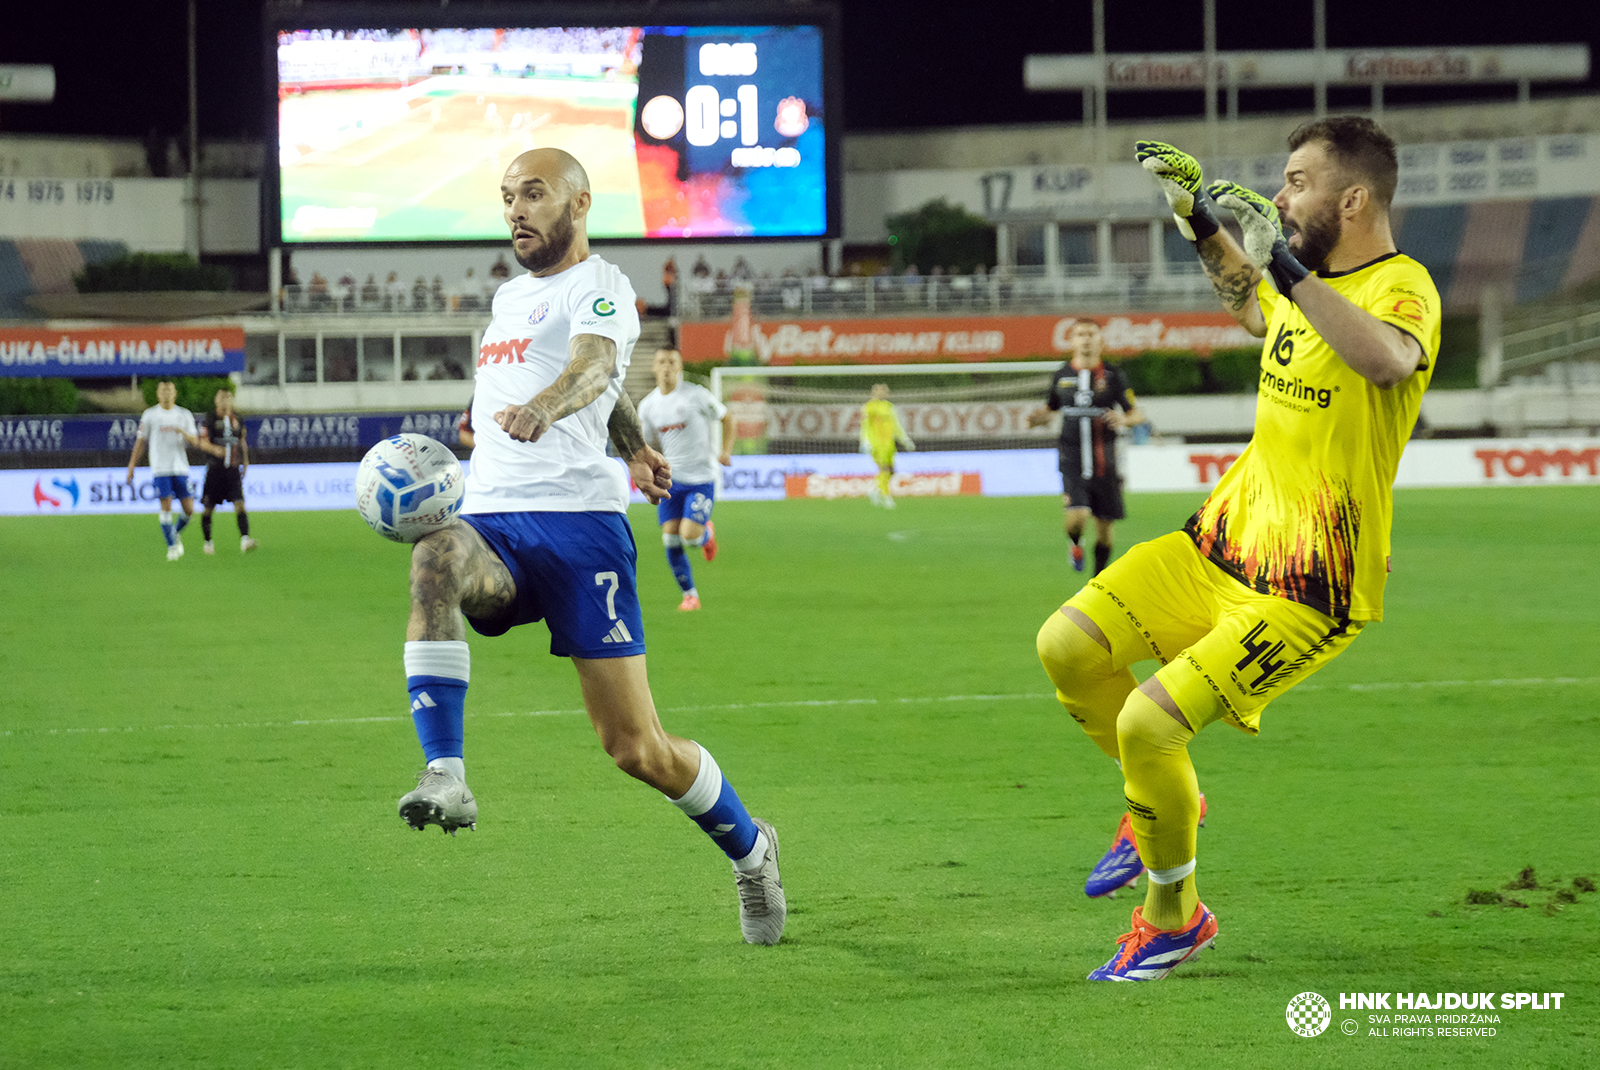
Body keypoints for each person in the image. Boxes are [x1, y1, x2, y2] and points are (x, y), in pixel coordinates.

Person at [1036, 116, 1439, 981]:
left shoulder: (1402, 287)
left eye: (1298, 181)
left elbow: (1385, 363)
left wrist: (1287, 268)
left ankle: (1173, 916)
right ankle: (1157, 804)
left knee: (1150, 722)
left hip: (1307, 583)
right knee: (1066, 646)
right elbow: (1250, 303)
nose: (1282, 195)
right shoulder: (1305, 288)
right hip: (1221, 541)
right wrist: (1196, 217)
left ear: (1355, 197)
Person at [393, 147, 786, 945]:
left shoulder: (599, 285)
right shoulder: (507, 300)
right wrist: (635, 442)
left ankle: (751, 851)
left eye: (533, 194)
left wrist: (546, 408)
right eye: (506, 196)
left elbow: (596, 364)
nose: (515, 210)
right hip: (495, 519)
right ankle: (448, 773)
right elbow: (605, 395)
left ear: (578, 204)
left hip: (581, 531)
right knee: (434, 558)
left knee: (636, 748)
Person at [1027, 319, 1147, 575]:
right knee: (1077, 517)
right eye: (1080, 334)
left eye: (1091, 334)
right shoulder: (1061, 376)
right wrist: (1039, 419)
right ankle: (1075, 544)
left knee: (1105, 532)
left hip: (1105, 460)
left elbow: (1137, 414)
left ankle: (1096, 579)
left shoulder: (1114, 376)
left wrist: (1125, 419)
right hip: (1072, 459)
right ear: (1071, 341)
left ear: (1101, 341)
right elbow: (1051, 409)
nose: (1086, 339)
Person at [636, 348, 735, 611]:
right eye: (661, 362)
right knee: (670, 539)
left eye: (672, 361)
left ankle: (707, 533)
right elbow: (647, 445)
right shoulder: (648, 406)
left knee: (689, 537)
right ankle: (690, 595)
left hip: (702, 478)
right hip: (671, 480)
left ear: (680, 367)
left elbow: (727, 418)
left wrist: (725, 451)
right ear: (654, 368)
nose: (667, 366)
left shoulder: (697, 395)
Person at [125, 380, 198, 561]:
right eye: (163, 390)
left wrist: (183, 433)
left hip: (180, 467)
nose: (166, 393)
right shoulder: (150, 415)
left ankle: (174, 533)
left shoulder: (184, 414)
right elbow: (141, 441)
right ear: (158, 394)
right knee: (166, 507)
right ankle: (172, 547)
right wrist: (132, 465)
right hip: (160, 468)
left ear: (175, 393)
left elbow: (195, 442)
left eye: (169, 390)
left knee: (189, 510)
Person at [196, 386, 257, 554]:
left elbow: (241, 441)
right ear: (216, 400)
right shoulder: (210, 418)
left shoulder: (238, 419)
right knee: (209, 507)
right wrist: (215, 450)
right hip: (215, 470)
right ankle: (208, 542)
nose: (224, 400)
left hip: (232, 470)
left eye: (228, 397)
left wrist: (245, 461)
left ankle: (245, 540)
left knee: (240, 504)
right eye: (221, 397)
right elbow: (202, 442)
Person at [859, 383, 914, 508]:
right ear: (874, 392)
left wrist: (904, 439)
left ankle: (873, 490)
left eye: (885, 391)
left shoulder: (889, 407)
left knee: (891, 471)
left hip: (889, 443)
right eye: (881, 391)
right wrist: (865, 441)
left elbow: (896, 425)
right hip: (876, 443)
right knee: (884, 469)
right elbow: (865, 425)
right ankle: (886, 496)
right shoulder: (869, 407)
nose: (883, 393)